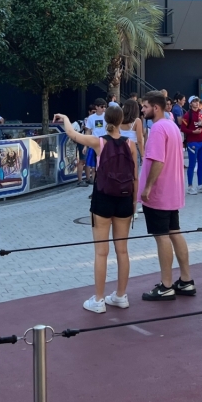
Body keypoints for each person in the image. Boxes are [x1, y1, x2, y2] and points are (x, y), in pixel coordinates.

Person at [56, 106, 138, 313]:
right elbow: (134, 175)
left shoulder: (99, 142)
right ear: (121, 121)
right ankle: (121, 295)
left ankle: (99, 299)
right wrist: (134, 202)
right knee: (123, 250)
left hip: (103, 198)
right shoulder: (131, 144)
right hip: (125, 198)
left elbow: (72, 134)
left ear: (105, 120)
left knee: (101, 252)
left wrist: (66, 116)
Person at [139, 92, 196, 301]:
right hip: (172, 190)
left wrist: (147, 188)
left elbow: (157, 160)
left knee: (161, 236)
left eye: (145, 106)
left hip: (159, 192)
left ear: (156, 107)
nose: (142, 110)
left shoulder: (157, 128)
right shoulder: (172, 125)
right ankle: (186, 280)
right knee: (174, 232)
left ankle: (166, 285)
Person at [179, 96, 202, 194]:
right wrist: (193, 132)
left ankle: (200, 185)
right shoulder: (187, 115)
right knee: (192, 164)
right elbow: (183, 128)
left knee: (201, 164)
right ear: (190, 103)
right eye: (194, 101)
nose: (196, 103)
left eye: (197, 101)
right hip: (192, 142)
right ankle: (190, 186)